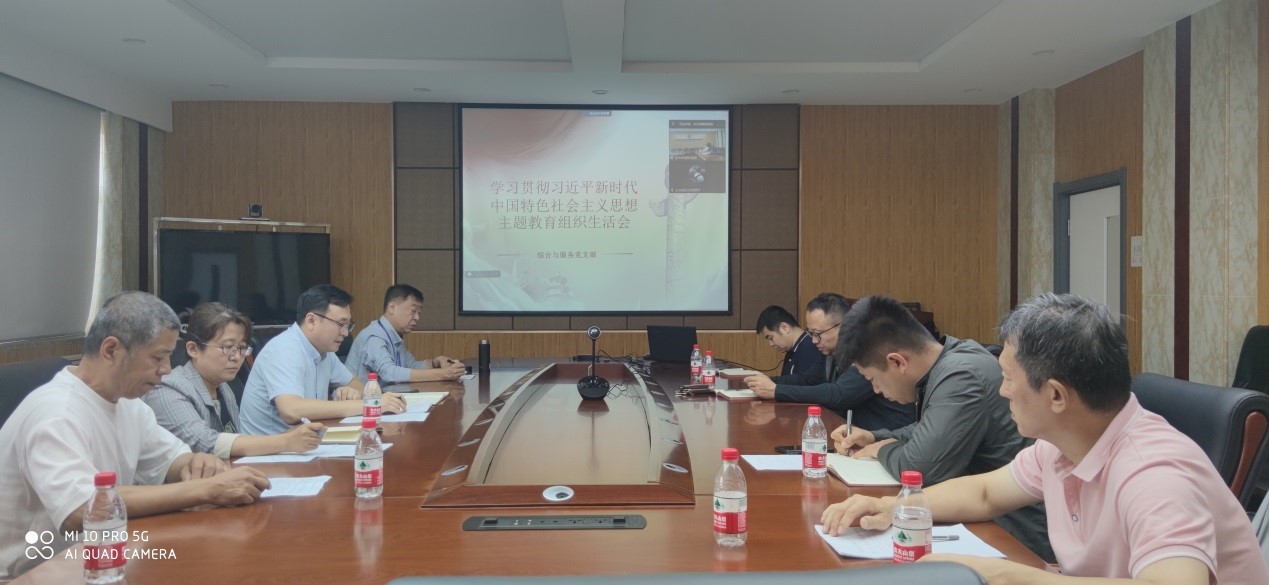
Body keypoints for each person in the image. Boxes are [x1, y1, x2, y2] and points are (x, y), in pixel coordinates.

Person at [820, 293, 1269, 585]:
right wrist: (894, 508)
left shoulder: (1154, 471)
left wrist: (1003, 575)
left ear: (1056, 395)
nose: (1001, 392)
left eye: (1008, 378)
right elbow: (984, 493)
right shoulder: (1061, 445)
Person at [0, 292, 271, 579]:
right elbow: (81, 510)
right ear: (111, 350)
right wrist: (206, 489)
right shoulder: (56, 412)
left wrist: (198, 463)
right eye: (158, 357)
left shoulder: (128, 403)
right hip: (29, 572)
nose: (167, 370)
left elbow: (172, 460)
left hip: (98, 560)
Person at [828, 295, 1050, 561]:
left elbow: (920, 469)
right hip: (980, 516)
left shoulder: (962, 375)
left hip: (1016, 537)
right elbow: (927, 431)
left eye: (873, 379)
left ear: (898, 362)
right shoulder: (948, 362)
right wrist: (874, 437)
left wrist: (881, 450)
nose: (875, 389)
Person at [143, 302, 326, 458]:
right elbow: (203, 443)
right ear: (193, 349)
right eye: (228, 347)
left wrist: (288, 437)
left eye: (242, 348)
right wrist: (285, 441)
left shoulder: (224, 388)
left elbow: (233, 443)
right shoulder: (168, 388)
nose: (237, 357)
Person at [239, 285, 405, 435]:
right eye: (341, 324)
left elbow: (355, 383)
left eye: (348, 325)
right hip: (268, 452)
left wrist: (352, 393)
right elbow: (291, 410)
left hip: (306, 443)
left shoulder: (324, 351)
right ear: (311, 321)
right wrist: (370, 405)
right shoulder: (284, 349)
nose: (345, 333)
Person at [743, 293, 914, 431]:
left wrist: (777, 391)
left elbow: (839, 394)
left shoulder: (868, 350)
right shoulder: (830, 351)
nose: (813, 340)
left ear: (843, 325)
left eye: (818, 334)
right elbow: (807, 379)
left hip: (887, 437)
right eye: (811, 333)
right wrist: (765, 382)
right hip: (852, 433)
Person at [344, 284, 466, 383]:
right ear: (392, 307)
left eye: (419, 313)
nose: (417, 317)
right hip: (361, 403)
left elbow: (410, 366)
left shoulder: (394, 334)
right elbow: (389, 373)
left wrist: (435, 362)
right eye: (413, 311)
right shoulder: (374, 336)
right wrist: (443, 374)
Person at [753, 304, 823, 377]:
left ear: (784, 328)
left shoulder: (810, 349)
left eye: (770, 338)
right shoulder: (793, 349)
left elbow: (804, 383)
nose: (771, 344)